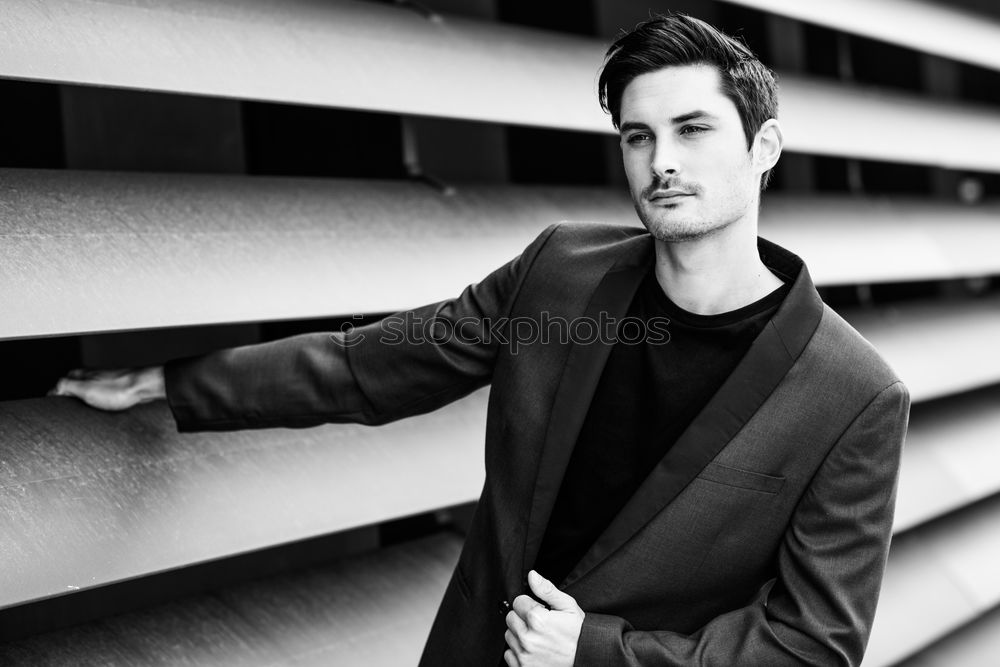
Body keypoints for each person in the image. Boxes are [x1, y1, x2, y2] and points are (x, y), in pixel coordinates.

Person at [51, 13, 909, 667]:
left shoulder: (853, 394)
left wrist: (599, 651)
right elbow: (371, 367)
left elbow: (813, 644)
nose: (661, 163)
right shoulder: (561, 272)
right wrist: (177, 383)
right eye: (638, 137)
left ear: (764, 148)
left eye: (693, 130)